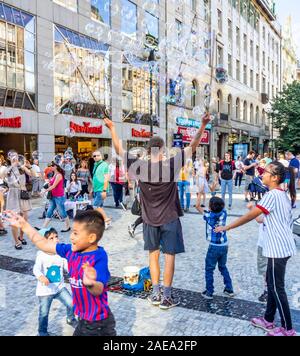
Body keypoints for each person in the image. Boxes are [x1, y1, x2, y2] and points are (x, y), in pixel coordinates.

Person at [104, 113, 211, 310]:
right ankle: (167, 297)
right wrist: (203, 124)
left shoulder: (139, 166)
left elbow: (119, 149)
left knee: (153, 256)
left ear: (147, 150)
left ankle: (155, 294)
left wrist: (111, 127)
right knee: (169, 256)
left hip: (149, 220)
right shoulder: (171, 164)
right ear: (162, 150)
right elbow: (193, 145)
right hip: (170, 218)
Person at [215, 161, 297, 337]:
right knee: (272, 284)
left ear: (274, 178)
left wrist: (227, 227)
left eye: (266, 172)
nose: (262, 174)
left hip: (278, 249)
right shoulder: (281, 194)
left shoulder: (272, 195)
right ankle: (268, 319)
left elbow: (250, 216)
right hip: (280, 247)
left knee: (276, 288)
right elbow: (266, 219)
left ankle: (287, 329)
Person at [5, 210, 116, 337]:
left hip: (97, 323)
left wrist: (90, 283)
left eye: (75, 233)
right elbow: (44, 244)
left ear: (91, 237)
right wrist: (24, 225)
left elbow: (98, 289)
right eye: (71, 232)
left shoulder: (99, 257)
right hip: (84, 320)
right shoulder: (70, 251)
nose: (71, 237)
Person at [33, 227, 76, 336]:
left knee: (71, 303)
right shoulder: (41, 255)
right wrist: (41, 277)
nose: (55, 239)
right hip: (45, 291)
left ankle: (70, 318)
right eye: (51, 238)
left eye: (56, 237)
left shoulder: (60, 254)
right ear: (44, 242)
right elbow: (36, 269)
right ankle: (42, 332)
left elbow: (67, 267)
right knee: (44, 313)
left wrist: (75, 271)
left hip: (59, 288)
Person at [197, 197, 234, 299]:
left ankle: (209, 292)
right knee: (222, 267)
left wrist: (199, 195)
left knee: (209, 269)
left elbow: (197, 207)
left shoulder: (209, 216)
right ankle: (229, 289)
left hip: (214, 247)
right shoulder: (224, 213)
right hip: (224, 245)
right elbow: (219, 209)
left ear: (210, 207)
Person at [6, 154, 34, 249]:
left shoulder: (22, 168)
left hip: (23, 193)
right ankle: (16, 241)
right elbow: (3, 175)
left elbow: (33, 174)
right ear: (9, 159)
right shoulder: (7, 169)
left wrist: (29, 166)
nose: (15, 159)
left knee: (24, 218)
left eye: (17, 157)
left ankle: (21, 237)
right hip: (13, 194)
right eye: (13, 157)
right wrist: (12, 166)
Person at [42, 163, 71, 233]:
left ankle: (68, 226)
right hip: (53, 196)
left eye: (52, 166)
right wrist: (47, 182)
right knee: (49, 211)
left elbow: (54, 186)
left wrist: (44, 191)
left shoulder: (59, 175)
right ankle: (43, 228)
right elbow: (50, 184)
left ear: (56, 166)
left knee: (62, 212)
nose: (50, 167)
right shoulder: (54, 174)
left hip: (59, 196)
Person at [91, 150, 112, 229]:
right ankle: (101, 222)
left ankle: (106, 219)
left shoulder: (104, 164)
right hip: (96, 189)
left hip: (101, 189)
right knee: (99, 207)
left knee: (95, 206)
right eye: (94, 156)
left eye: (98, 155)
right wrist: (92, 189)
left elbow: (106, 178)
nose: (96, 157)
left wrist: (104, 190)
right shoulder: (96, 165)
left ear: (101, 156)